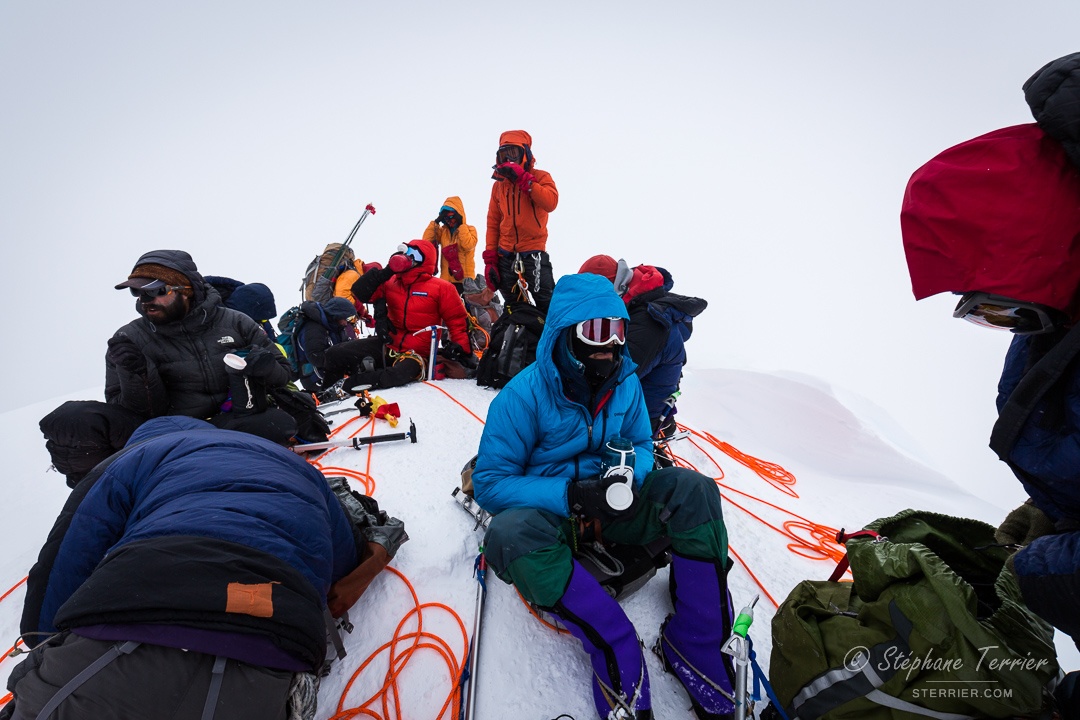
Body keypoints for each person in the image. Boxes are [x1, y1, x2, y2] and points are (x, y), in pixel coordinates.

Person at [4, 416, 405, 720]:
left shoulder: (139, 456)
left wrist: (41, 634)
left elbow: (71, 548)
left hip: (126, 612)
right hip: (274, 624)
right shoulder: (302, 470)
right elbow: (345, 556)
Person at [470, 273, 735, 720]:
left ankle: (696, 644)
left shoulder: (625, 383)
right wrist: (571, 495)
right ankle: (615, 644)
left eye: (617, 331)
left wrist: (632, 479)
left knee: (695, 490)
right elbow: (492, 482)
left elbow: (643, 443)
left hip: (615, 502)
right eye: (595, 332)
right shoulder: (522, 397)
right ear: (566, 335)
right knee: (510, 533)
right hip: (553, 512)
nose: (609, 345)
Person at [39, 250, 298, 488]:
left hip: (232, 418)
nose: (145, 301)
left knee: (279, 423)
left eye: (155, 291)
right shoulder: (129, 338)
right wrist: (138, 374)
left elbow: (284, 374)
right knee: (73, 419)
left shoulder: (235, 322)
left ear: (185, 290)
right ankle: (99, 494)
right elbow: (130, 414)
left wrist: (264, 366)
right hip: (168, 430)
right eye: (138, 293)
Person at [579, 255, 708, 444]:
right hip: (631, 412)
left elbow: (613, 379)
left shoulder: (647, 324)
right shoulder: (635, 309)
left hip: (635, 426)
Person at [318, 240, 471, 392]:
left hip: (416, 354)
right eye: (406, 252)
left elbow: (457, 321)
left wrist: (462, 350)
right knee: (335, 353)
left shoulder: (442, 288)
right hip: (388, 344)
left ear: (426, 259)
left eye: (414, 254)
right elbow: (360, 292)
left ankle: (344, 387)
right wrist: (385, 272)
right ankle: (326, 391)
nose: (408, 257)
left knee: (398, 374)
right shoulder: (391, 281)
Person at [483, 130, 559, 313]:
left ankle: (550, 340)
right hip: (505, 255)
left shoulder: (541, 177)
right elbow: (493, 222)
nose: (509, 158)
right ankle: (522, 340)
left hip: (534, 254)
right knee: (513, 307)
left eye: (514, 153)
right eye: (504, 154)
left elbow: (551, 202)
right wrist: (490, 260)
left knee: (547, 305)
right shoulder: (499, 186)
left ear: (525, 153)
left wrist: (526, 181)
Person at [292, 297, 360, 393]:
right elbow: (315, 357)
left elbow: (344, 346)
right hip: (315, 378)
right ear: (337, 315)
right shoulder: (313, 329)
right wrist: (341, 361)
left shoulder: (336, 326)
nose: (347, 322)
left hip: (331, 372)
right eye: (347, 318)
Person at [422, 196, 479, 295]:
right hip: (446, 281)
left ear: (458, 214)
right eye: (446, 218)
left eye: (452, 216)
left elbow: (467, 245)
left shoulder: (470, 229)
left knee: (465, 310)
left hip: (465, 282)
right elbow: (427, 242)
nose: (449, 220)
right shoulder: (443, 232)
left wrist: (462, 225)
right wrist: (436, 222)